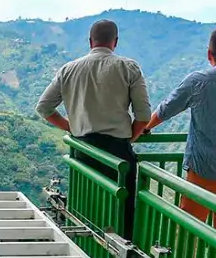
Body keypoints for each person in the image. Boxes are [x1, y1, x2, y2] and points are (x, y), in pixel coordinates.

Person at [135, 26, 216, 225]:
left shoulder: (199, 81)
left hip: (206, 171)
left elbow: (166, 109)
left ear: (209, 53)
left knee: (191, 229)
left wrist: (146, 127)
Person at [35, 19, 151, 237]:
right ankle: (122, 252)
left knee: (86, 205)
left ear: (90, 41)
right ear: (115, 42)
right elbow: (144, 116)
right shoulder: (128, 67)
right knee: (121, 208)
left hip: (83, 151)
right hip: (118, 154)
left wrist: (71, 127)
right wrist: (130, 139)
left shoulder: (68, 69)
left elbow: (44, 107)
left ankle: (86, 249)